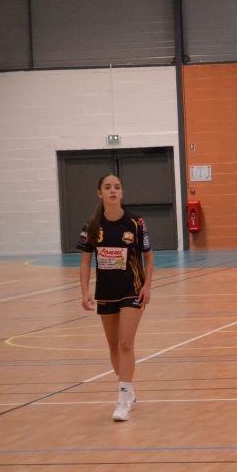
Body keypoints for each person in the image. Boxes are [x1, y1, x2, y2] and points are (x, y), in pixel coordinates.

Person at [77, 173, 154, 422]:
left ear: (122, 193)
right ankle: (128, 389)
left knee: (125, 344)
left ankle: (122, 399)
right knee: (113, 346)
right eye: (108, 187)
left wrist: (147, 286)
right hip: (106, 292)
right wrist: (85, 291)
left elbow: (148, 256)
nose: (113, 191)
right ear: (99, 193)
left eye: (117, 187)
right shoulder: (92, 226)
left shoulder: (135, 222)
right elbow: (85, 261)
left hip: (132, 289)